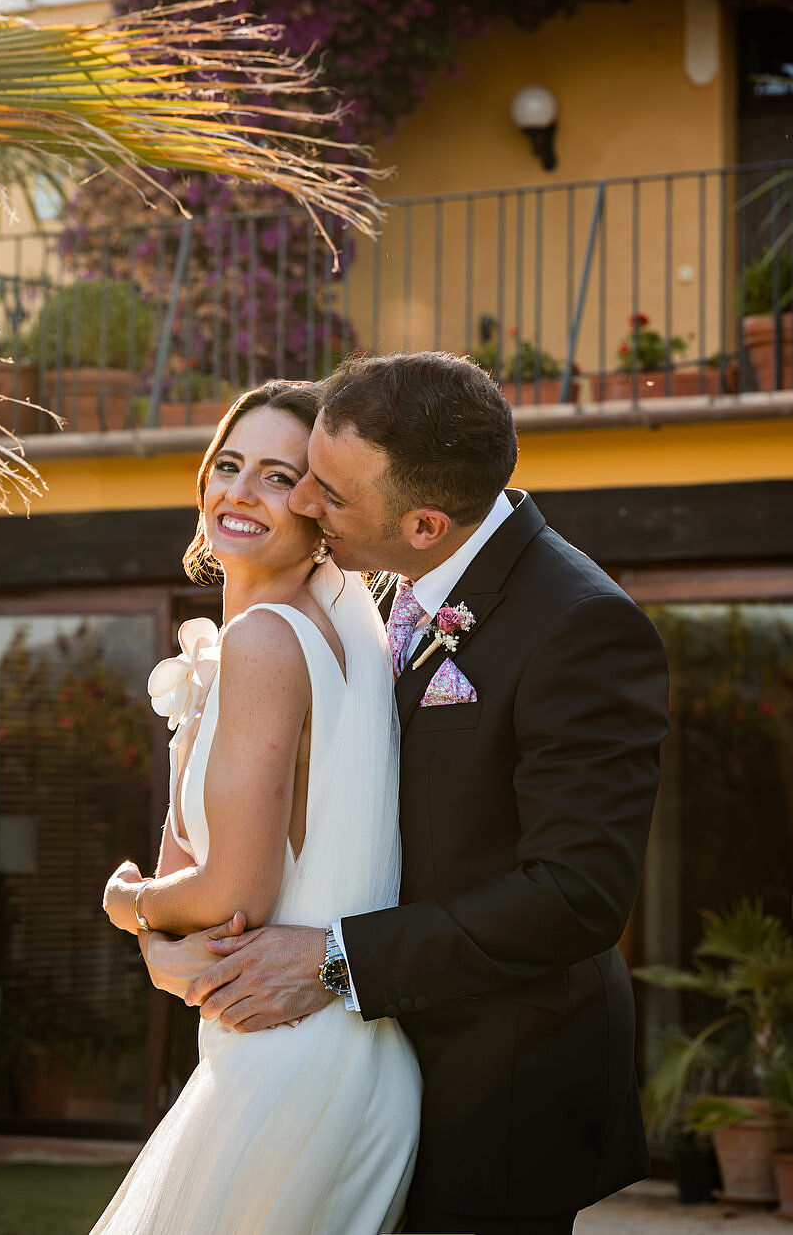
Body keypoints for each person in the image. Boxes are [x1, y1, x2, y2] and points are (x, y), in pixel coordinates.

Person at [180, 353, 670, 1234]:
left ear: (425, 524)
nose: (300, 505)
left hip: (495, 1084)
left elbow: (576, 897)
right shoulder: (370, 593)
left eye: (327, 494)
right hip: (365, 1066)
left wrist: (337, 958)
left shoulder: (582, 627)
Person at [90, 380, 420, 1235]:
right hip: (338, 1053)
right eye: (228, 464)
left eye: (277, 476)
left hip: (287, 1067)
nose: (239, 491)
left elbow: (236, 890)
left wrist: (125, 907)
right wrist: (165, 945)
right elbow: (194, 877)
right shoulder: (332, 632)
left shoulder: (265, 639)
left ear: (322, 509)